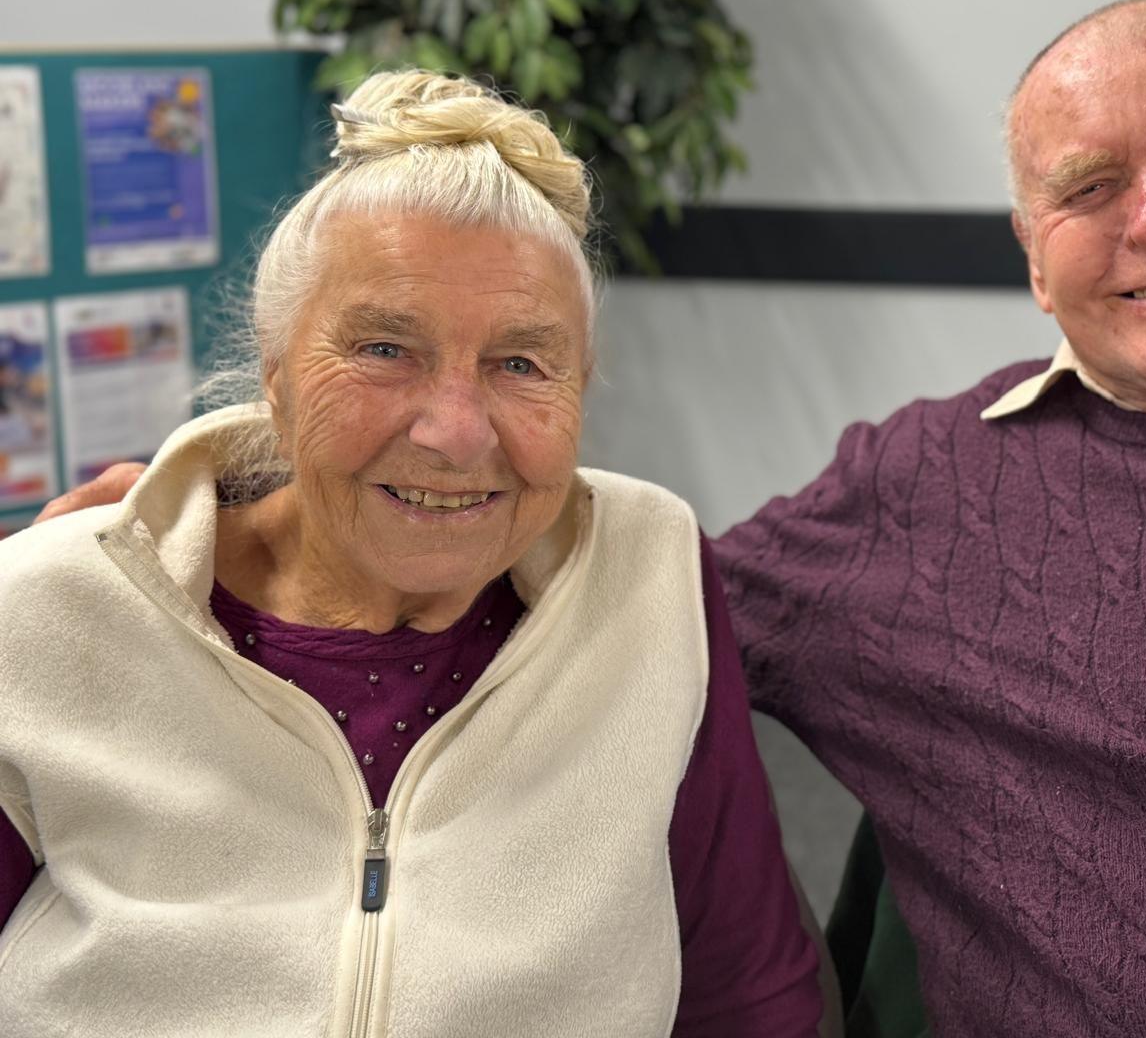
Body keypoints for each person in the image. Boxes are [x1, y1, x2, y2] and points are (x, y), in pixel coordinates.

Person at [39, 0, 1146, 1036]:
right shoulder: (918, 496)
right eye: (1087, 185)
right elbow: (520, 559)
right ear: (1029, 244)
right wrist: (216, 516)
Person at [0, 72, 827, 1036]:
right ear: (277, 379)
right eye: (386, 349)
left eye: (521, 364)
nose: (455, 431)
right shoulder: (55, 614)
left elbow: (746, 990)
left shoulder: (650, 577)